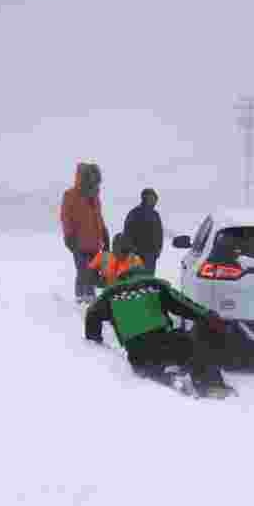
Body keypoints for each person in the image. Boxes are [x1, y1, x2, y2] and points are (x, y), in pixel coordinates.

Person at [84, 266, 234, 396]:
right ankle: (211, 385)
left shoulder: (109, 294)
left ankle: (167, 379)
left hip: (137, 351)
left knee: (148, 367)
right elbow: (184, 305)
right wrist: (208, 315)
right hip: (164, 342)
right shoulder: (154, 285)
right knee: (192, 345)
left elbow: (91, 314)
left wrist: (95, 338)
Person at [60, 162, 109, 303]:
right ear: (83, 177)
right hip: (78, 240)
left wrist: (104, 232)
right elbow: (65, 216)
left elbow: (98, 216)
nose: (93, 179)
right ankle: (81, 297)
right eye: (90, 176)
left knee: (92, 271)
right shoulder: (71, 194)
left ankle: (90, 297)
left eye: (95, 176)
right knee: (82, 270)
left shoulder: (95, 196)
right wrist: (69, 236)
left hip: (95, 241)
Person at [122, 188, 163, 275]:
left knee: (149, 279)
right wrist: (131, 249)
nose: (154, 200)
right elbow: (127, 232)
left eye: (155, 198)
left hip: (151, 255)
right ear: (145, 198)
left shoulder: (155, 215)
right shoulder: (135, 213)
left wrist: (158, 249)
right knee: (136, 279)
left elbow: (159, 233)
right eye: (151, 198)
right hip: (137, 254)